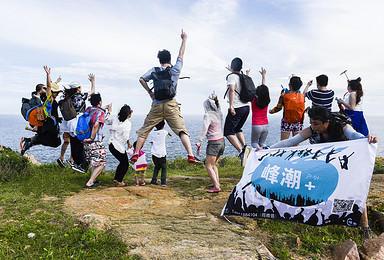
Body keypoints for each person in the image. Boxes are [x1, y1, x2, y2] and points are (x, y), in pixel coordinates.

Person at [261, 106, 378, 241]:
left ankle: (365, 227)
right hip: (327, 164)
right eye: (311, 123)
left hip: (344, 163)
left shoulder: (341, 126)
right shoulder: (313, 130)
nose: (313, 127)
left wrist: (367, 138)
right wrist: (267, 149)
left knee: (356, 191)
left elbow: (354, 135)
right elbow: (291, 141)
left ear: (326, 122)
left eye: (316, 123)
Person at [130, 30, 202, 165]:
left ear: (159, 60)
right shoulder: (175, 70)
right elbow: (181, 54)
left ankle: (135, 153)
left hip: (156, 105)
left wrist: (149, 93)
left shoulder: (154, 70)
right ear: (169, 59)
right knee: (181, 130)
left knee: (144, 130)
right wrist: (184, 39)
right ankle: (191, 155)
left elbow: (141, 79)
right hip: (171, 104)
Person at [20, 66, 62, 154]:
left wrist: (56, 81)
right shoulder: (49, 100)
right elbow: (49, 87)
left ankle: (29, 141)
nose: (57, 94)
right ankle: (29, 141)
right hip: (50, 125)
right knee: (56, 143)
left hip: (48, 124)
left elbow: (50, 86)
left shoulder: (46, 100)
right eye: (56, 92)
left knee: (53, 141)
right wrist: (48, 74)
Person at [59, 74, 96, 173]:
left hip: (69, 123)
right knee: (82, 143)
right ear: (78, 89)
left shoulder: (68, 98)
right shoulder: (81, 96)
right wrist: (92, 81)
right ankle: (82, 165)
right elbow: (92, 91)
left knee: (74, 143)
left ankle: (76, 163)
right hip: (79, 123)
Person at [196, 93, 225, 193]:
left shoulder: (208, 115)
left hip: (214, 143)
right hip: (221, 141)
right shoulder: (219, 114)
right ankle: (216, 182)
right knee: (213, 165)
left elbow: (205, 129)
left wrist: (200, 140)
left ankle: (216, 187)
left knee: (208, 165)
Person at [224, 57, 250, 164]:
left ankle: (241, 151)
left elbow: (232, 90)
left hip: (237, 107)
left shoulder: (231, 77)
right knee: (238, 128)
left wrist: (231, 106)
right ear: (241, 67)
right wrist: (233, 71)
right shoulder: (243, 76)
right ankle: (245, 147)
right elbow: (238, 78)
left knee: (227, 131)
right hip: (246, 107)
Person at [83, 93, 110, 188]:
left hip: (86, 141)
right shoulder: (100, 113)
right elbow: (96, 125)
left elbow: (96, 109)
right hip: (95, 141)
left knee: (95, 161)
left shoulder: (88, 110)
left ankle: (92, 179)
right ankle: (90, 182)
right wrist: (92, 137)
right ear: (100, 102)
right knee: (102, 163)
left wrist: (106, 108)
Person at [269, 76, 305, 141]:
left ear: (290, 85)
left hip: (286, 122)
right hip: (298, 121)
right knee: (296, 143)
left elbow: (278, 108)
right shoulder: (302, 96)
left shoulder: (284, 94)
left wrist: (271, 111)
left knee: (284, 143)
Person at [106, 104, 133, 187]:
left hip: (110, 144)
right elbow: (126, 136)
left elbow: (106, 121)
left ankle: (116, 179)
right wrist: (128, 143)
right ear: (128, 115)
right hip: (117, 146)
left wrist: (109, 112)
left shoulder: (115, 119)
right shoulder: (127, 123)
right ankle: (119, 181)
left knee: (122, 162)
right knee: (125, 164)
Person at [250, 67, 270, 149]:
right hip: (266, 125)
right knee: (262, 144)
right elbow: (264, 89)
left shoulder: (254, 100)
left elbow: (249, 89)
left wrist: (247, 76)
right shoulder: (266, 101)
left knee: (254, 143)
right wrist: (263, 76)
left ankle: (256, 160)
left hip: (256, 125)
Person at [148, 120, 171, 187]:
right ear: (163, 126)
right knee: (164, 167)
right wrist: (169, 134)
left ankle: (153, 180)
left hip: (154, 153)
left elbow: (151, 142)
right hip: (162, 153)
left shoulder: (152, 133)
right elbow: (169, 133)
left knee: (157, 167)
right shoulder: (164, 132)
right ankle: (163, 182)